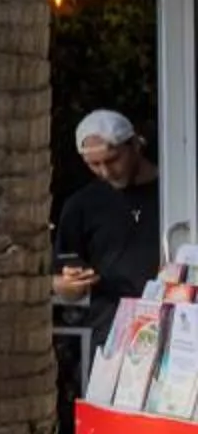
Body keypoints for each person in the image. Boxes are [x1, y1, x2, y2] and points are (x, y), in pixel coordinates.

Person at [55, 108, 164, 343]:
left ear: (135, 145)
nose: (105, 172)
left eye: (113, 160)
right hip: (111, 335)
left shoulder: (176, 192)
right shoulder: (81, 205)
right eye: (94, 164)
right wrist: (68, 285)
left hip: (176, 326)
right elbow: (62, 276)